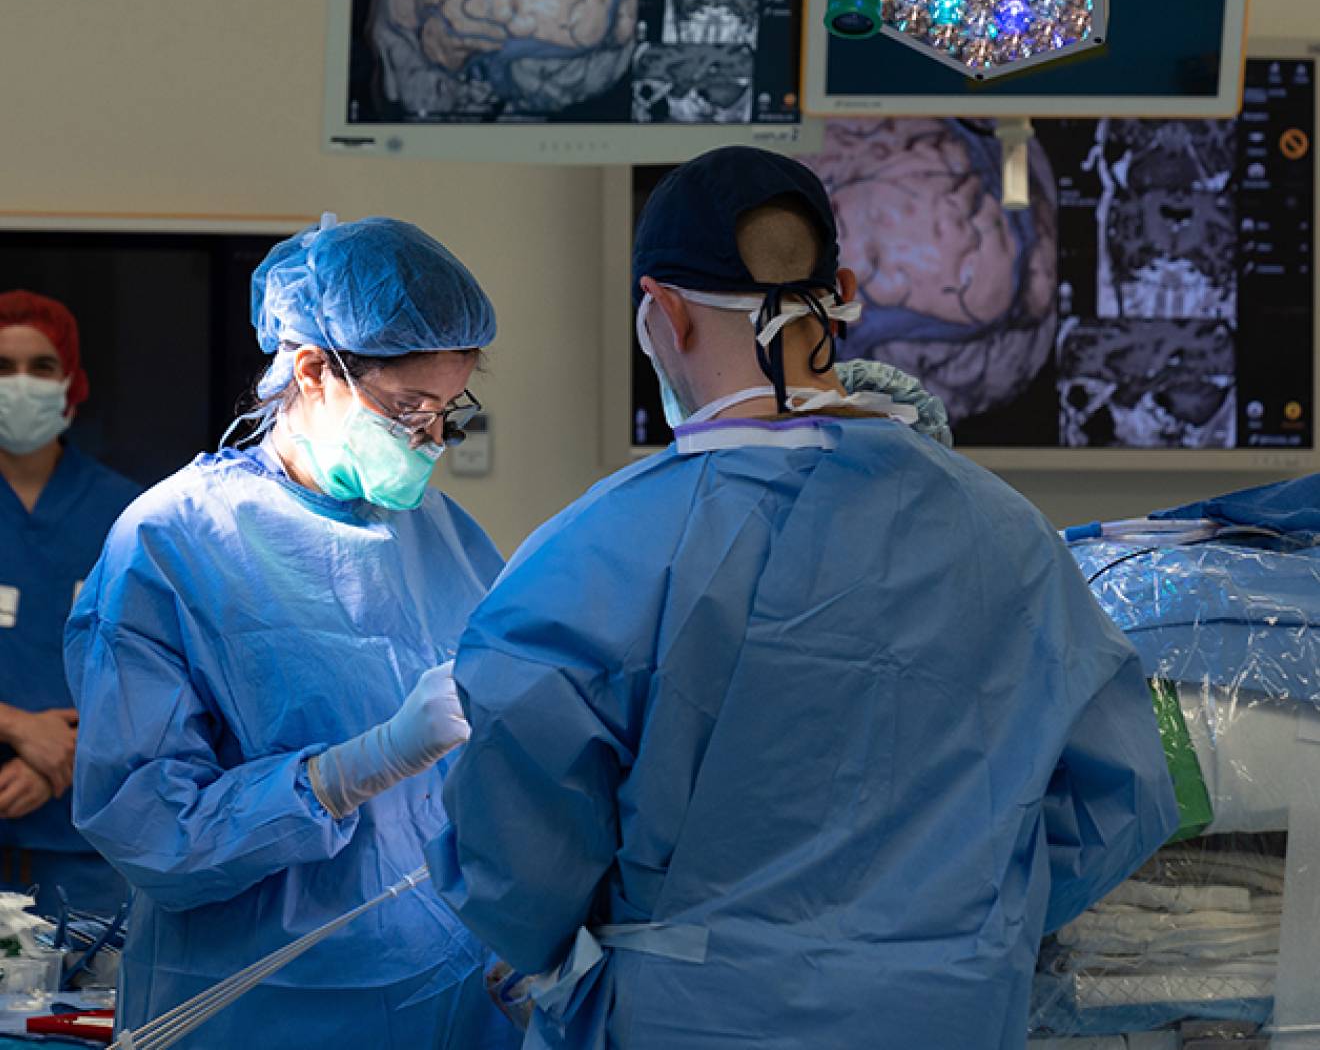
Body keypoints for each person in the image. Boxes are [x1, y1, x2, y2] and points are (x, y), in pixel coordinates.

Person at [429, 147, 1179, 1049]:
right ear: (844, 291)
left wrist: (570, 960)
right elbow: (1127, 792)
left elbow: (514, 857)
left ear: (661, 313)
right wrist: (953, 934)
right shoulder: (1007, 534)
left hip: (692, 1021)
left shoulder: (593, 556)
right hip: (948, 1016)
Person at [65, 217, 520, 1049]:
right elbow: (146, 829)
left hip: (453, 996)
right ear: (313, 369)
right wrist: (353, 769)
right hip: (262, 1006)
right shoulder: (172, 544)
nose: (427, 439)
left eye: (446, 412)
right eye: (408, 407)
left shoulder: (443, 534)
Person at [0, 290, 138, 915]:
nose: (20, 384)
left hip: (88, 848)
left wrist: (69, 752)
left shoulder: (130, 516)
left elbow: (157, 668)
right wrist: (18, 727)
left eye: (41, 367)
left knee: (86, 1008)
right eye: (2, 368)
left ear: (70, 382)